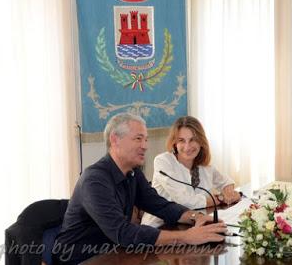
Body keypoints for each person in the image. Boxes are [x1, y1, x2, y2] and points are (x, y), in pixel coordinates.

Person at [53, 113, 226, 264]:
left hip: (114, 253)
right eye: (138, 138)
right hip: (81, 259)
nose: (145, 145)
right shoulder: (94, 180)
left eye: (146, 139)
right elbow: (123, 232)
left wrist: (196, 217)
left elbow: (160, 205)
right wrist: (186, 237)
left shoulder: (133, 172)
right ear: (115, 139)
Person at [141, 116, 241, 228]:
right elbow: (184, 201)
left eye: (193, 139)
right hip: (158, 229)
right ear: (174, 143)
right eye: (181, 140)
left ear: (201, 141)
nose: (187, 147)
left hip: (192, 225)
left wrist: (230, 193)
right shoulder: (163, 161)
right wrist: (220, 198)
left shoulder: (205, 167)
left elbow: (226, 182)